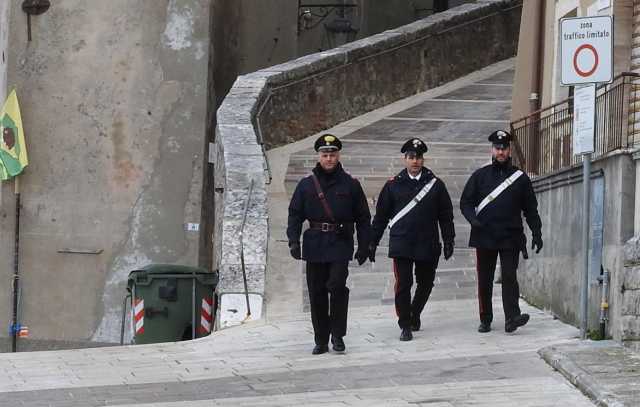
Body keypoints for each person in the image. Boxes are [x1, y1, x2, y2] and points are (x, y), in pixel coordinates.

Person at [287, 133, 371, 355]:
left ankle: (337, 334)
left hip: (340, 243)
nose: (329, 159)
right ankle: (321, 339)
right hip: (314, 244)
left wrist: (364, 246)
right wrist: (293, 241)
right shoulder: (306, 185)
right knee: (316, 292)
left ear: (338, 155)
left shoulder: (351, 184)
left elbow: (363, 217)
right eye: (325, 154)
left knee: (336, 286)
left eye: (332, 154)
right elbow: (295, 214)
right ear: (319, 156)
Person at [369, 138, 455, 341]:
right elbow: (380, 217)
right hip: (402, 242)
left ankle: (414, 313)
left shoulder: (435, 185)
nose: (415, 161)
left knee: (426, 283)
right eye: (411, 157)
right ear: (404, 159)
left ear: (423, 159)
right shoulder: (393, 185)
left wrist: (449, 239)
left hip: (427, 241)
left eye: (418, 157)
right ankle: (405, 324)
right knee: (403, 283)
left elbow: (446, 215)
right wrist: (372, 242)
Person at [460, 130, 543, 334]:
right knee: (485, 279)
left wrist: (537, 232)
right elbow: (465, 203)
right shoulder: (480, 176)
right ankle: (485, 318)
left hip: (510, 236)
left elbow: (531, 209)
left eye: (504, 148)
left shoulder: (520, 178)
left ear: (509, 150)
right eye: (497, 148)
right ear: (492, 150)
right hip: (484, 235)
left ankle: (511, 318)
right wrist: (473, 220)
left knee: (509, 276)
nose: (501, 152)